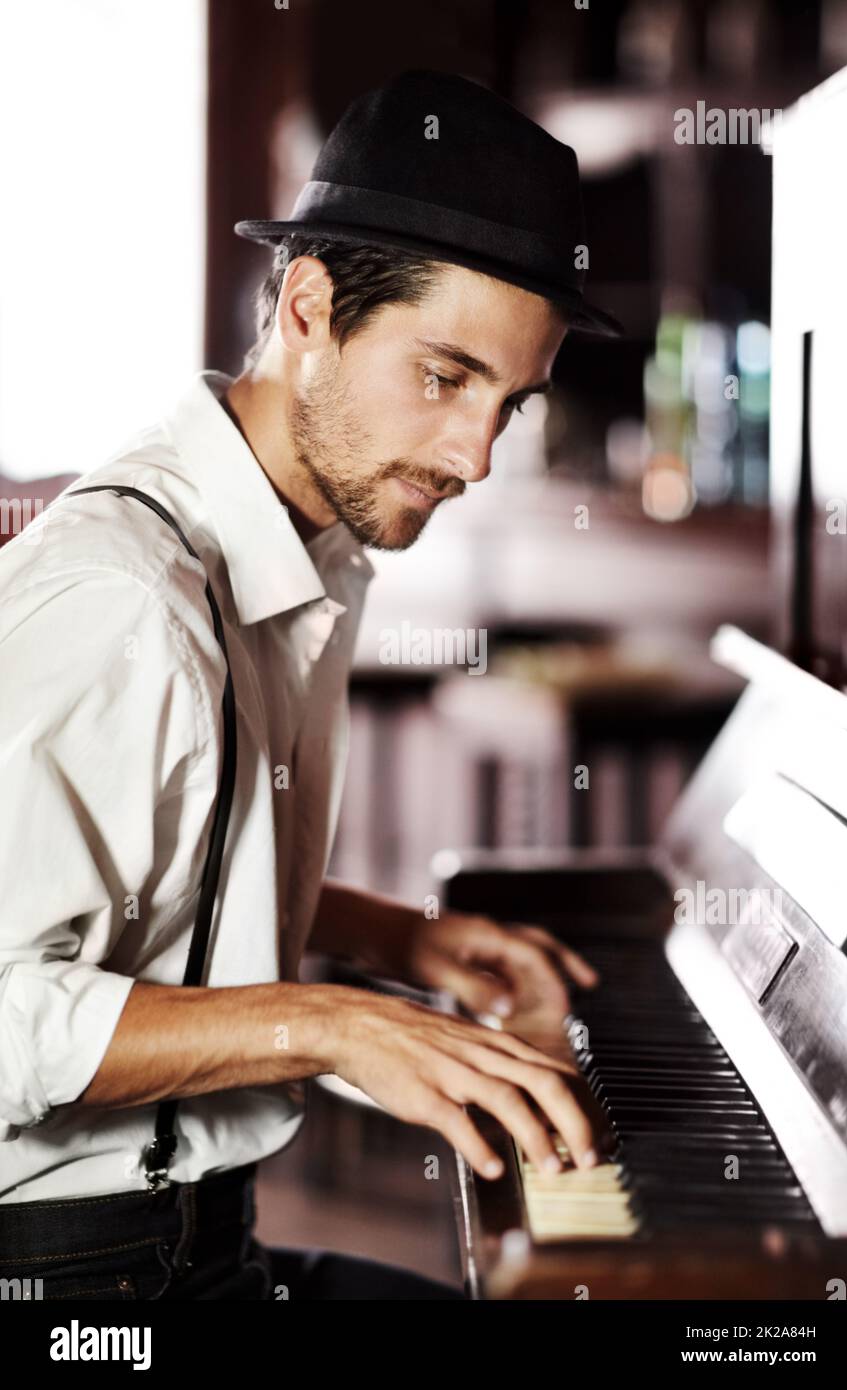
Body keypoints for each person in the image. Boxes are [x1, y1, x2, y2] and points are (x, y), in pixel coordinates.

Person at [0, 69, 621, 1300]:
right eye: (443, 377)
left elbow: (160, 866)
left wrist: (401, 941)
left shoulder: (315, 540)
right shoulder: (123, 599)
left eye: (510, 401)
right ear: (308, 308)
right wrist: (331, 1021)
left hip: (198, 1239)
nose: (474, 456)